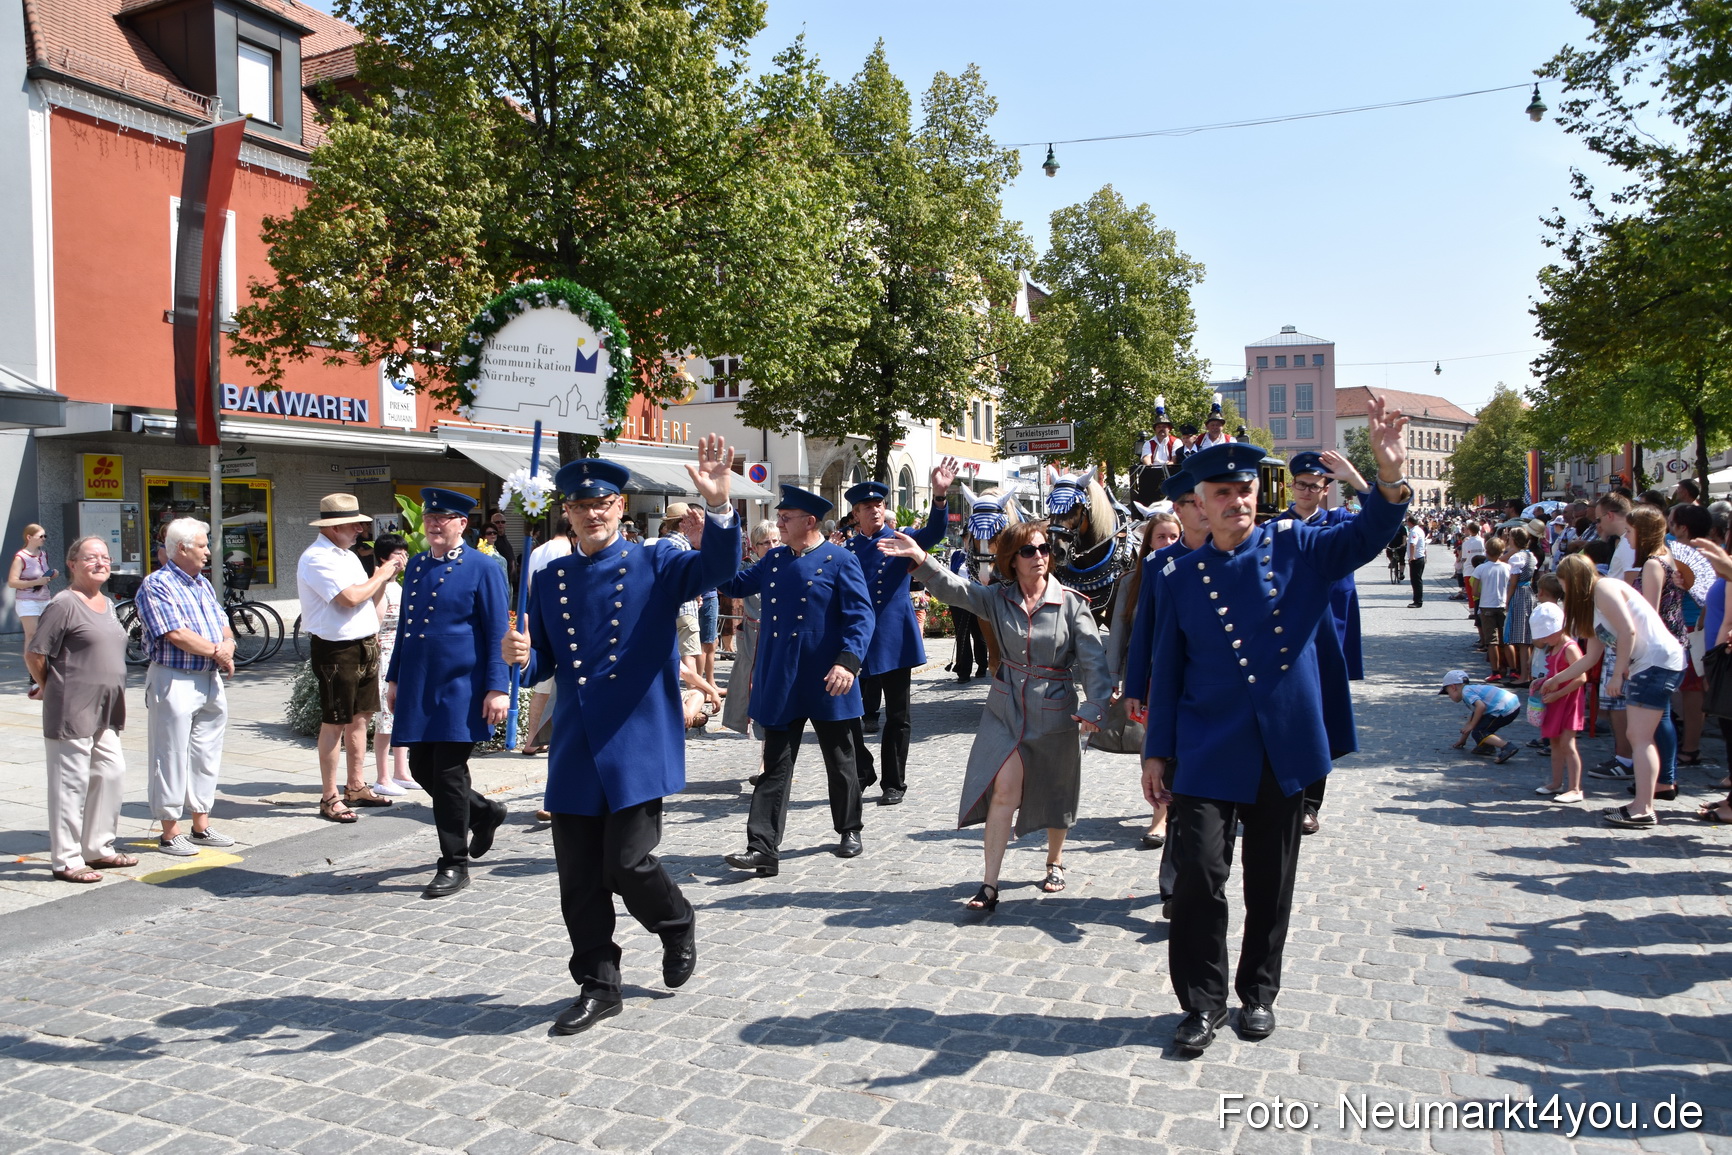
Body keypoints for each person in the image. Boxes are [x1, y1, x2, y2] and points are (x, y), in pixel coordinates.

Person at [1140, 394, 1411, 1056]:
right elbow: (1168, 671)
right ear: (1199, 502)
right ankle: (1200, 1003)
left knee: (1271, 879)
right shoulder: (1178, 574)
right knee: (1200, 875)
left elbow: (1368, 533)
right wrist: (1156, 752)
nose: (1237, 499)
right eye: (1223, 491)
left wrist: (1389, 475)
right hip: (1207, 744)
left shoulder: (1299, 549)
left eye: (1246, 487)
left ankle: (1257, 992)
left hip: (1280, 743)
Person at [502, 438, 741, 1036]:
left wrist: (718, 511)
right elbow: (546, 666)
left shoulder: (657, 562)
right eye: (580, 505)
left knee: (628, 864)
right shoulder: (551, 576)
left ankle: (675, 920)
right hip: (579, 745)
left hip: (637, 737)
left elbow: (719, 569)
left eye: (603, 502)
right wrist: (519, 662)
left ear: (620, 506)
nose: (592, 513)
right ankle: (598, 984)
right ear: (567, 512)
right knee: (579, 878)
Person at [878, 517, 1110, 910]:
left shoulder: (1071, 603)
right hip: (1006, 709)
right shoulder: (997, 599)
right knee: (1004, 790)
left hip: (1054, 710)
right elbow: (957, 591)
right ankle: (989, 885)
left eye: (1044, 549)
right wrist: (921, 559)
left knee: (1056, 790)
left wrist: (1093, 706)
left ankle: (1054, 859)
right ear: (1011, 559)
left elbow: (1093, 661)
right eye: (1028, 550)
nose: (1039, 556)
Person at [717, 485, 874, 877]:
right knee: (775, 765)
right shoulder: (773, 561)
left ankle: (849, 828)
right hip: (782, 679)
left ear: (809, 521)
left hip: (828, 679)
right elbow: (733, 584)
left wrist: (848, 663)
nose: (779, 523)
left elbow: (861, 617)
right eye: (780, 517)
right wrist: (712, 545)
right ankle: (763, 848)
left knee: (841, 762)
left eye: (786, 518)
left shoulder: (840, 560)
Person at [386, 488, 510, 898]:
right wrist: (394, 677)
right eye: (429, 518)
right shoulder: (418, 565)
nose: (434, 525)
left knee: (448, 773)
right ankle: (485, 811)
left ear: (462, 524)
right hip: (420, 682)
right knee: (421, 768)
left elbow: (497, 631)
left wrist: (497, 687)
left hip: (463, 685)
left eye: (444, 518)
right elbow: (407, 626)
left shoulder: (483, 567)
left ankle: (454, 863)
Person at [1540, 553, 1686, 828]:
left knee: (1639, 737)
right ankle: (1641, 803)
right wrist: (1556, 679)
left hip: (1655, 662)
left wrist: (1618, 674)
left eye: (1565, 586)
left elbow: (1628, 631)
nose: (1565, 593)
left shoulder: (1604, 588)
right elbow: (1590, 657)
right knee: (1640, 736)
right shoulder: (1593, 603)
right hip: (1649, 664)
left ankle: (1644, 808)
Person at [844, 458, 956, 806]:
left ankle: (894, 782)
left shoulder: (901, 540)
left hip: (894, 640)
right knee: (849, 716)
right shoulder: (845, 550)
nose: (875, 510)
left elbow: (935, 534)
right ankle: (863, 769)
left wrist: (939, 496)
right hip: (858, 643)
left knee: (898, 715)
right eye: (867, 506)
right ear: (856, 515)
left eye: (879, 504)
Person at [26, 536, 134, 883]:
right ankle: (67, 860)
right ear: (72, 564)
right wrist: (49, 687)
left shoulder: (105, 602)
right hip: (72, 705)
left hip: (106, 707)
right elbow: (35, 653)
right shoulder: (64, 603)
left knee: (111, 772)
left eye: (104, 557)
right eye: (91, 558)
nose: (100, 562)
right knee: (69, 783)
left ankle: (98, 848)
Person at [133, 518, 237, 856]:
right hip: (174, 678)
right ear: (183, 548)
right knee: (170, 753)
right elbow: (174, 633)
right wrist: (218, 651)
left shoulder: (202, 584)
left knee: (206, 753)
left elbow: (223, 623)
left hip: (209, 677)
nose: (209, 551)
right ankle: (169, 830)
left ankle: (201, 826)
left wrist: (228, 646)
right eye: (204, 545)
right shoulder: (156, 584)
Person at [298, 494, 404, 823]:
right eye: (355, 523)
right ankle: (329, 796)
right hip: (336, 648)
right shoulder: (317, 557)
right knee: (335, 720)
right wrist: (383, 573)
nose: (361, 528)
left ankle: (355, 785)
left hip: (362, 642)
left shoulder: (344, 555)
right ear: (335, 526)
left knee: (361, 717)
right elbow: (349, 598)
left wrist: (382, 581)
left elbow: (366, 598)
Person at [523, 516, 577, 758]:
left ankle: (531, 738)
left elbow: (529, 586)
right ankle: (547, 737)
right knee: (556, 688)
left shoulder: (537, 551)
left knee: (542, 688)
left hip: (540, 616)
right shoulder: (567, 551)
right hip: (561, 624)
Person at [721, 520, 779, 741]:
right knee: (752, 691)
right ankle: (765, 755)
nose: (772, 546)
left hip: (779, 642)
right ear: (755, 548)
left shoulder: (792, 566)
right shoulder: (749, 569)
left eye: (775, 541)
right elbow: (730, 584)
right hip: (753, 642)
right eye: (765, 543)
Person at [368, 534, 415, 796]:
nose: (403, 559)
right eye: (398, 554)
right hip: (384, 656)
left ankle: (401, 771)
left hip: (401, 655)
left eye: (405, 554)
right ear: (384, 557)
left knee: (400, 716)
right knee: (385, 719)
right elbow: (373, 626)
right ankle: (382, 776)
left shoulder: (400, 585)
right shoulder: (380, 585)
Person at [1528, 601, 1586, 802]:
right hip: (1554, 700)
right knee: (1553, 742)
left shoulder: (1570, 647)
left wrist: (1558, 694)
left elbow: (1581, 677)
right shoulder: (1553, 647)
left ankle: (1575, 788)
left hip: (1568, 701)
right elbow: (1555, 674)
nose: (1544, 640)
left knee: (1568, 743)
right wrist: (1542, 681)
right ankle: (1556, 782)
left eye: (1546, 635)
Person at [10, 524, 57, 699]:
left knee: (47, 635)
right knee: (32, 636)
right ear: (29, 537)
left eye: (45, 536)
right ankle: (33, 672)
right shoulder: (20, 557)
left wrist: (51, 575)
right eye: (40, 536)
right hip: (27, 600)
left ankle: (43, 669)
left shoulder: (43, 554)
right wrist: (35, 582)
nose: (43, 539)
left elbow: (43, 574)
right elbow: (12, 582)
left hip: (44, 598)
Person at [1440, 669, 1521, 763]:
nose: (1449, 696)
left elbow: (1481, 707)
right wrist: (1462, 740)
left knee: (1479, 731)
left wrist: (1472, 726)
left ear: (1453, 687)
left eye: (1448, 692)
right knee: (1480, 726)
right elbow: (1474, 716)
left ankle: (1507, 747)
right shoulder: (1470, 690)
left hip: (1504, 708)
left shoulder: (1466, 693)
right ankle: (1486, 747)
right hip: (1511, 705)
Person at [1474, 539, 1512, 681]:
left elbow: (1475, 590)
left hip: (1487, 605)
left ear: (1486, 550)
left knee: (1492, 641)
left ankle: (1495, 670)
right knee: (1506, 640)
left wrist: (1483, 594)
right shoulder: (1507, 568)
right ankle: (1513, 669)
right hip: (1503, 605)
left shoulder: (1481, 568)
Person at [1406, 516, 1429, 607]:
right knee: (1416, 580)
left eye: (1407, 522)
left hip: (1416, 558)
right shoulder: (1419, 530)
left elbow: (1413, 544)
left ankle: (1418, 601)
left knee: (1416, 580)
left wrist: (1411, 556)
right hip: (1420, 557)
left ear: (1410, 522)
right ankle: (1417, 600)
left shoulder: (1414, 531)